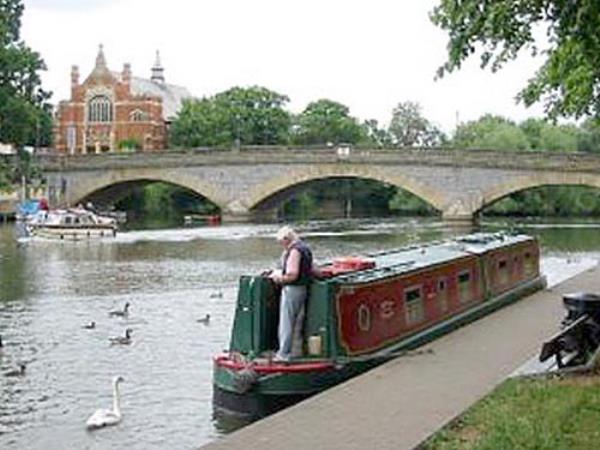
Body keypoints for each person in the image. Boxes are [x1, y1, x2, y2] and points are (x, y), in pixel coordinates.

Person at [269, 226, 314, 361]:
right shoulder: (305, 248)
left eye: (281, 241)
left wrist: (277, 278)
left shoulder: (294, 251)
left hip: (292, 289)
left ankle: (283, 353)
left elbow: (292, 274)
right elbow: (314, 270)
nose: (281, 244)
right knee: (298, 321)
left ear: (286, 239)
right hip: (303, 288)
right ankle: (296, 351)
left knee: (286, 322)